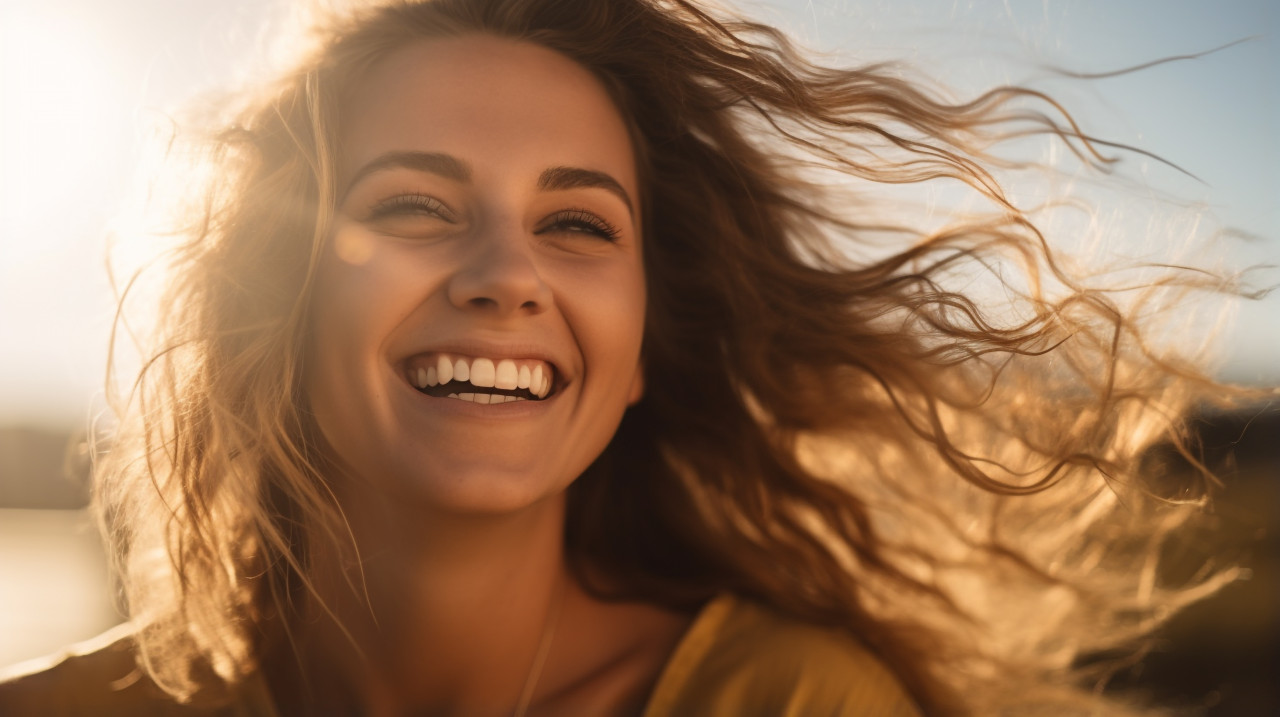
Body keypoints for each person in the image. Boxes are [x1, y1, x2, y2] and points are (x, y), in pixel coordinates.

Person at [0, 0, 1252, 714]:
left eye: (577, 225)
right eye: (416, 206)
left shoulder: (792, 703)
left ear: (641, 345)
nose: (505, 275)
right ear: (275, 299)